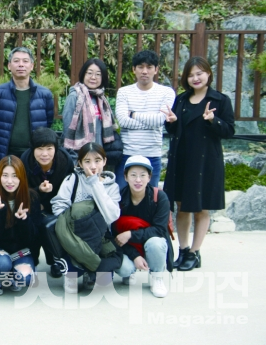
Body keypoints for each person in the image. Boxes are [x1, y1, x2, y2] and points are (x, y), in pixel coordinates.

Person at [163, 56, 235, 271]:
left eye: (199, 73)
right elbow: (174, 130)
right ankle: (183, 249)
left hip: (205, 163)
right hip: (182, 160)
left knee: (201, 208)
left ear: (208, 74)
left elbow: (229, 131)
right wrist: (172, 123)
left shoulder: (220, 100)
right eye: (191, 75)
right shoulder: (182, 100)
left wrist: (213, 120)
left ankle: (195, 252)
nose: (195, 78)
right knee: (181, 207)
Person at [51, 143, 121, 293]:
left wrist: (94, 183)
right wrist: (72, 222)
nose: (93, 166)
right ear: (80, 163)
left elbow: (112, 216)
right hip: (75, 234)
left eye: (97, 160)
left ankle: (90, 272)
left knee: (105, 281)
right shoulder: (73, 179)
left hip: (100, 236)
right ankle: (73, 271)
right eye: (87, 161)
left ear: (105, 161)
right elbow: (59, 205)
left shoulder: (112, 186)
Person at [113, 156, 173, 298]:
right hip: (128, 246)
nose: (138, 180)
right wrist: (135, 256)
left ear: (149, 177)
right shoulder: (118, 199)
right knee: (123, 268)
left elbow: (159, 230)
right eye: (133, 175)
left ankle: (157, 277)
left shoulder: (160, 197)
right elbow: (115, 235)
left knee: (156, 243)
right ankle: (130, 272)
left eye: (142, 175)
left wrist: (130, 234)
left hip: (149, 243)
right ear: (125, 177)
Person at [0, 156, 40, 295]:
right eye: (5, 175)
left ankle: (12, 275)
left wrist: (25, 220)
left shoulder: (32, 197)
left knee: (25, 279)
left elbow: (34, 238)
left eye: (15, 176)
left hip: (20, 250)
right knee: (2, 264)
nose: (10, 181)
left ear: (21, 177)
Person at [115, 50, 175, 189]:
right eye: (140, 67)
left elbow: (160, 120)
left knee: (150, 198)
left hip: (152, 155)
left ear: (156, 70)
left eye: (149, 67)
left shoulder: (166, 92)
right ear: (134, 69)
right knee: (121, 197)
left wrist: (133, 114)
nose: (144, 71)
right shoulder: (124, 92)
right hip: (127, 153)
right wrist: (151, 122)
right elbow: (123, 121)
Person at [0, 47, 54, 168]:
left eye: (25, 61)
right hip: (5, 153)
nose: (21, 65)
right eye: (16, 61)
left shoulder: (45, 94)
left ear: (32, 66)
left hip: (33, 154)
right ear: (9, 66)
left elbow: (48, 123)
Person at [21, 127, 74, 275]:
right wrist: (38, 190)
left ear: (56, 149)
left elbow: (70, 187)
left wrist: (54, 203)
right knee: (32, 228)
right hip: (33, 203)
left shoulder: (65, 161)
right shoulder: (25, 161)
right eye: (40, 149)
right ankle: (33, 260)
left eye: (49, 148)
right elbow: (22, 189)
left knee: (54, 227)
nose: (45, 154)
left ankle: (55, 261)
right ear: (33, 149)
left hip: (57, 202)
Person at [62, 58, 122, 168]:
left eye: (98, 74)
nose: (93, 77)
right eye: (89, 73)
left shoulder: (101, 98)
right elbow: (67, 129)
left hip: (98, 156)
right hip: (79, 156)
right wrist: (73, 158)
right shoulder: (74, 97)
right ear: (83, 74)